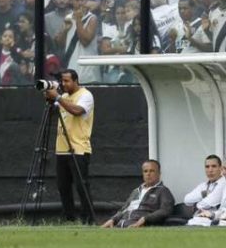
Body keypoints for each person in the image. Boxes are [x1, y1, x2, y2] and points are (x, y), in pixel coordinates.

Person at [45, 69, 94, 224]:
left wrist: (58, 98)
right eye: (62, 81)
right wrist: (50, 99)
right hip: (61, 148)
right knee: (63, 187)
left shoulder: (86, 95)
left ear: (76, 80)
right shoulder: (64, 97)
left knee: (81, 186)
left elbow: (77, 111)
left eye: (67, 81)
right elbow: (52, 114)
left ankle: (88, 219)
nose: (64, 84)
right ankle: (69, 219)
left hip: (79, 148)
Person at [102, 160, 174, 228]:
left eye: (152, 171)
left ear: (159, 173)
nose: (148, 174)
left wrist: (145, 219)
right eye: (145, 171)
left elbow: (165, 210)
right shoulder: (136, 191)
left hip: (140, 224)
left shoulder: (163, 191)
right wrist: (113, 219)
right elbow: (123, 209)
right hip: (121, 224)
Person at [183, 155, 226, 219]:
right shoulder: (203, 185)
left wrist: (195, 205)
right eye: (207, 167)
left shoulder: (224, 184)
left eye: (214, 166)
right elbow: (186, 200)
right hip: (197, 220)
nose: (210, 170)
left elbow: (207, 203)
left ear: (221, 168)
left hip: (213, 222)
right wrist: (203, 194)